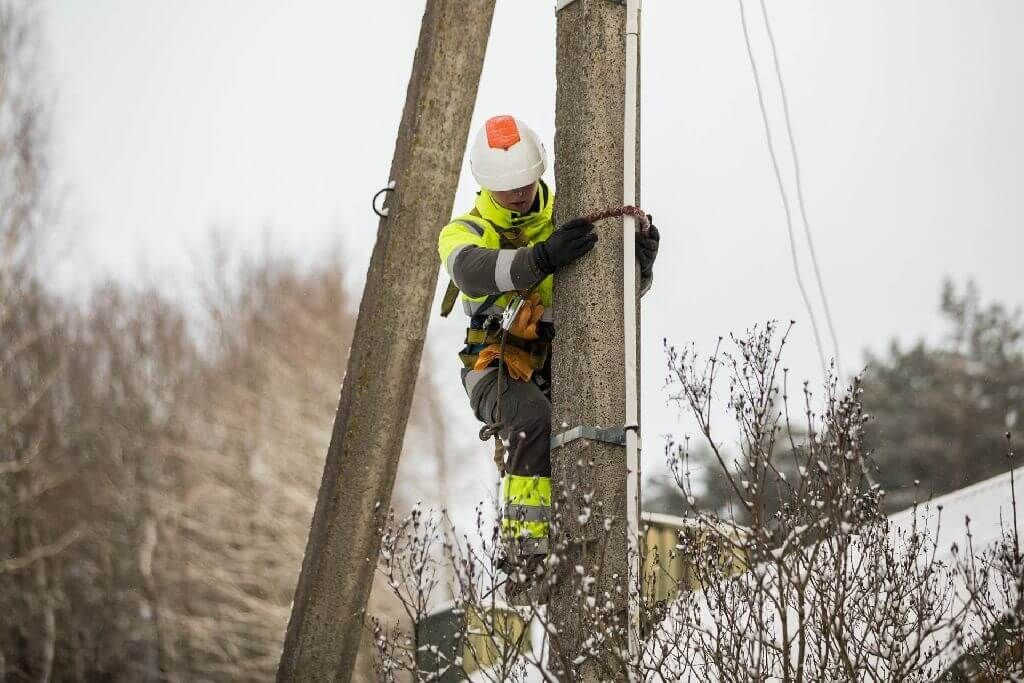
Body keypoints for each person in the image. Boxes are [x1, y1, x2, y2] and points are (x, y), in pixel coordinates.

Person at [437, 114, 660, 602]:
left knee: (601, 435)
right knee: (533, 422)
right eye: (505, 188)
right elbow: (470, 271)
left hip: (561, 362)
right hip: (495, 367)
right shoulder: (466, 230)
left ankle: (601, 547)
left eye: (523, 183)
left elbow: (611, 305)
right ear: (485, 185)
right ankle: (525, 557)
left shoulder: (567, 216)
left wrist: (638, 264)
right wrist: (540, 259)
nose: (517, 194)